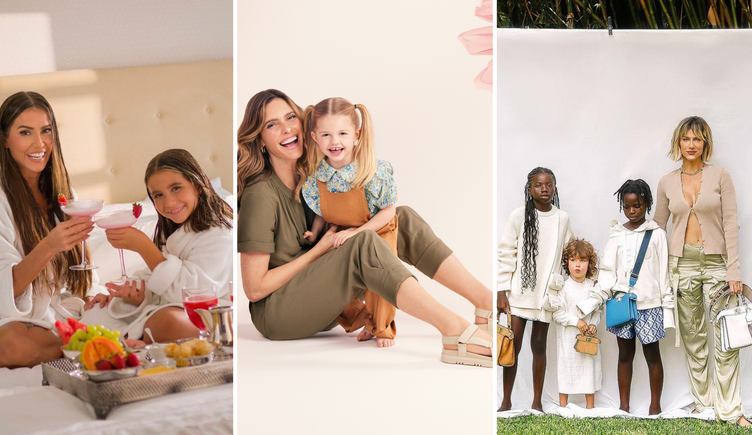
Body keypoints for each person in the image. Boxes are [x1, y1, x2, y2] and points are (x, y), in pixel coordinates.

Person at [237, 89, 493, 367]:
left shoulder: (312, 175)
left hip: (319, 298)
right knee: (364, 241)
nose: (286, 128)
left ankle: (485, 302)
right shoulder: (260, 196)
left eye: (290, 117)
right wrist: (319, 249)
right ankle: (453, 330)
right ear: (260, 139)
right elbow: (254, 289)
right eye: (271, 124)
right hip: (278, 314)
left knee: (399, 218)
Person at [0, 91, 98, 368]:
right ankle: (94, 344)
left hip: (53, 313)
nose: (39, 143)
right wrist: (49, 246)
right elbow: (2, 292)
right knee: (11, 347)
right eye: (25, 132)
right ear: (5, 139)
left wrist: (92, 298)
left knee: (127, 309)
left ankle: (84, 340)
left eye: (46, 131)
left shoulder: (63, 193)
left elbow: (74, 280)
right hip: (1, 317)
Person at [653, 116, 749, 427]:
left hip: (718, 264)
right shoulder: (667, 182)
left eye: (697, 139)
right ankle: (704, 403)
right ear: (678, 143)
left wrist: (733, 269)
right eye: (686, 139)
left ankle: (731, 410)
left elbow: (731, 225)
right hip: (682, 265)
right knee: (693, 338)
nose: (691, 145)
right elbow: (657, 228)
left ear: (705, 143)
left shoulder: (721, 176)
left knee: (726, 337)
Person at [84, 149, 233, 343]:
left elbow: (194, 292)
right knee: (98, 314)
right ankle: (135, 340)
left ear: (197, 185)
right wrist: (134, 296)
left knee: (167, 322)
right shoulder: (173, 230)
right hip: (177, 307)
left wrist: (145, 248)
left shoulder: (221, 232)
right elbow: (159, 279)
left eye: (176, 188)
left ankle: (137, 341)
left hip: (216, 313)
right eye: (158, 195)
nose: (169, 202)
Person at [301, 97, 399, 348]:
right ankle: (365, 320)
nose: (335, 142)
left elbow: (388, 212)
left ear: (357, 134)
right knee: (321, 277)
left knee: (380, 275)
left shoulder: (372, 172)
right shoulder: (316, 178)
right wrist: (314, 233)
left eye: (342, 133)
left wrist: (360, 232)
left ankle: (383, 327)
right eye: (326, 135)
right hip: (343, 234)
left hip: (377, 230)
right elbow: (323, 210)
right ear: (314, 137)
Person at [578, 179, 672, 415]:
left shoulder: (657, 235)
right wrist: (594, 299)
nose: (632, 211)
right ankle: (624, 406)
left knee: (652, 355)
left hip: (650, 305)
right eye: (627, 206)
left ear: (647, 204)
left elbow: (664, 274)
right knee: (624, 356)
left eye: (637, 206)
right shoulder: (617, 236)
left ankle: (655, 406)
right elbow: (608, 274)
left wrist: (667, 308)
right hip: (621, 305)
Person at [497, 166, 573, 411]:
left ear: (554, 188)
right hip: (520, 294)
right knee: (513, 347)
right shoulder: (519, 216)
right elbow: (506, 253)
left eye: (549, 184)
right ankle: (506, 401)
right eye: (539, 185)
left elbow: (570, 251)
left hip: (545, 296)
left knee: (539, 346)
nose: (544, 189)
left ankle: (537, 402)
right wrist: (500, 290)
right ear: (529, 189)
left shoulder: (562, 219)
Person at [552, 239, 601, 410]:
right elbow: (557, 313)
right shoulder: (563, 288)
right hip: (567, 339)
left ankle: (590, 407)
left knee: (588, 368)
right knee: (566, 369)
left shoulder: (593, 287)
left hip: (587, 338)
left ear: (590, 263)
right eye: (573, 260)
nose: (577, 265)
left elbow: (597, 311)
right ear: (567, 262)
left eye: (582, 260)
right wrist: (575, 321)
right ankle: (563, 406)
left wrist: (593, 325)